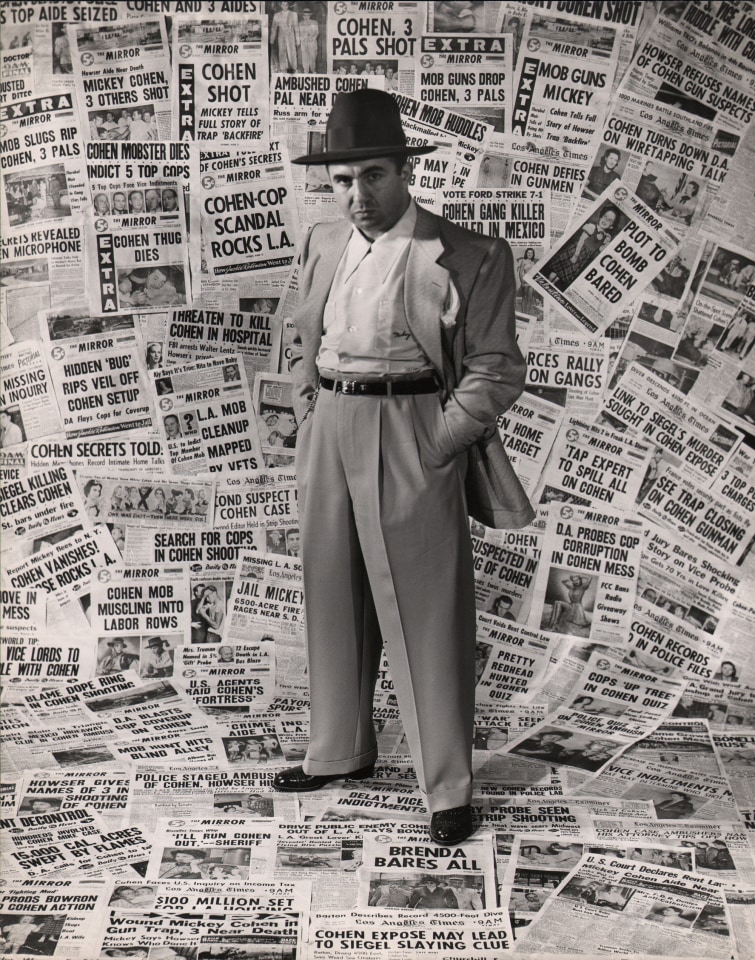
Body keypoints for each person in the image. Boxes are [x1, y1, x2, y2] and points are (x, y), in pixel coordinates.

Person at [271, 89, 532, 846]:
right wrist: (311, 413)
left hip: (411, 427)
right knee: (331, 593)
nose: (358, 196)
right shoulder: (321, 241)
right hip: (331, 427)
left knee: (425, 612)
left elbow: (495, 366)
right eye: (343, 181)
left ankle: (446, 786)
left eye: (374, 176)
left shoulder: (470, 254)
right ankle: (340, 751)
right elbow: (302, 334)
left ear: (404, 171)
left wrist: (438, 442)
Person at [545, 206, 618, 290]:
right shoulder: (591, 227)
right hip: (575, 252)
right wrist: (575, 255)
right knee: (556, 272)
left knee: (562, 276)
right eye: (605, 217)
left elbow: (600, 250)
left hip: (582, 260)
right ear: (601, 216)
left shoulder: (605, 237)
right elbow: (581, 241)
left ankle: (551, 286)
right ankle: (547, 283)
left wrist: (608, 244)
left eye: (610, 220)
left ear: (611, 226)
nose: (605, 220)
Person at [271, 1, 299, 73]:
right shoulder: (276, 15)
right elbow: (274, 28)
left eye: (286, 4)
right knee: (282, 51)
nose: (285, 6)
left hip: (290, 34)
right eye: (283, 4)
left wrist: (298, 39)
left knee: (292, 51)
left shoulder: (294, 14)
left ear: (288, 5)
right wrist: (272, 39)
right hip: (281, 35)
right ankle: (283, 68)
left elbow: (296, 28)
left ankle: (294, 68)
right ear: (281, 5)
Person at [298, 8, 319, 72]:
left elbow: (317, 32)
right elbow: (299, 33)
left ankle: (313, 71)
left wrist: (313, 38)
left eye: (308, 15)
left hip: (312, 42)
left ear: (310, 15)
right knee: (305, 57)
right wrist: (303, 38)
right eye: (305, 15)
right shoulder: (300, 24)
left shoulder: (314, 22)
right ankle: (306, 71)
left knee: (312, 57)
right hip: (304, 43)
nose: (306, 17)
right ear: (303, 16)